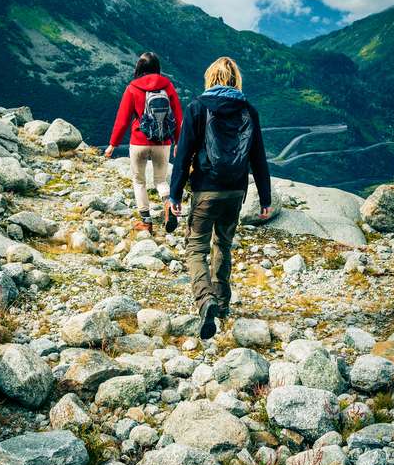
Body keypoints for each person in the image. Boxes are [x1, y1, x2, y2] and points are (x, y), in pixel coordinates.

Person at [168, 56, 272, 339]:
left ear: (210, 78)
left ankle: (205, 300)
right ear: (236, 79)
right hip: (236, 191)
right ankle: (223, 302)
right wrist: (265, 198)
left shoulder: (197, 107)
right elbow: (258, 157)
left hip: (206, 189)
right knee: (223, 244)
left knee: (196, 248)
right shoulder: (248, 109)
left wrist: (174, 194)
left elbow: (183, 155)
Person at [105, 52, 183, 232]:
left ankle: (146, 222)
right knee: (160, 180)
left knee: (139, 181)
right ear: (157, 67)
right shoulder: (168, 86)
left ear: (139, 67)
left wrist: (113, 144)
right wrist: (178, 142)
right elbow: (178, 116)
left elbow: (123, 120)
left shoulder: (132, 87)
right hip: (163, 141)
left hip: (139, 141)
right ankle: (168, 205)